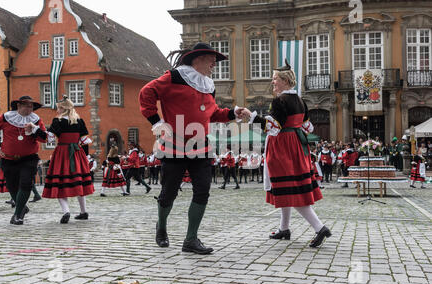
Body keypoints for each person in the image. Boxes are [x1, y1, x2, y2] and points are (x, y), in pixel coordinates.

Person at [139, 42, 246, 254]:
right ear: (197, 58)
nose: (215, 63)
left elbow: (213, 113)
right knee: (169, 193)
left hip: (201, 145)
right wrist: (157, 122)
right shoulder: (174, 77)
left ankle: (191, 239)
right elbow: (146, 93)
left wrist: (233, 113)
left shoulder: (208, 84)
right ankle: (161, 227)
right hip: (174, 144)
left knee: (203, 190)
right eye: (211, 59)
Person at [242, 60, 331, 248]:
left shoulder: (279, 100)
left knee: (292, 190)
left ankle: (319, 227)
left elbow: (272, 127)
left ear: (285, 80)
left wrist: (251, 116)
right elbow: (307, 126)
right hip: (296, 145)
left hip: (283, 146)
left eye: (275, 79)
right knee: (288, 187)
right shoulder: (300, 100)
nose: (273, 82)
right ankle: (284, 228)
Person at [0, 96, 47, 225]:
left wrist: (35, 130)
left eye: (31, 106)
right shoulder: (6, 117)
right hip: (8, 159)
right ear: (18, 106)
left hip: (29, 158)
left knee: (26, 184)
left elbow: (44, 139)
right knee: (12, 186)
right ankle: (22, 207)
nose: (29, 108)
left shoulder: (35, 120)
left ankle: (17, 215)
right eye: (26, 105)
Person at [39, 97, 95, 223]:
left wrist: (36, 130)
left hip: (62, 153)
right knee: (79, 183)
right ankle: (83, 212)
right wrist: (85, 158)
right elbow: (84, 142)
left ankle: (66, 211)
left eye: (58, 107)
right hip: (77, 153)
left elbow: (51, 139)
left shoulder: (57, 121)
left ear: (63, 108)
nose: (57, 110)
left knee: (60, 183)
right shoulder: (79, 121)